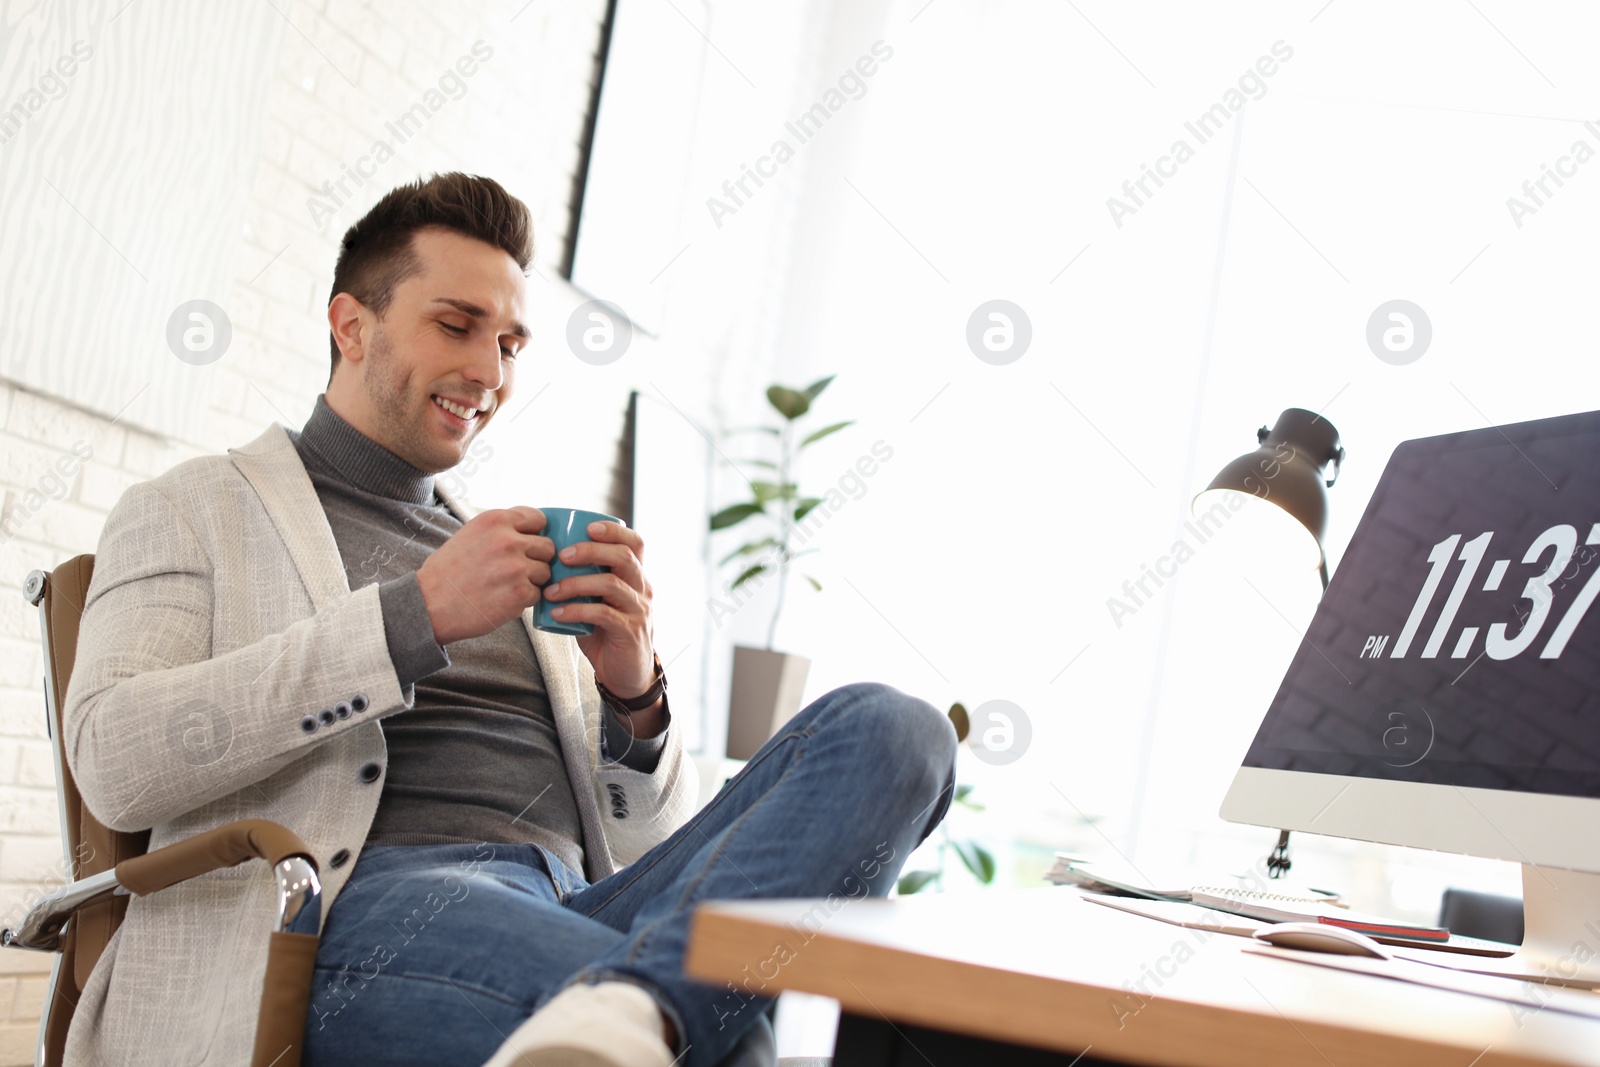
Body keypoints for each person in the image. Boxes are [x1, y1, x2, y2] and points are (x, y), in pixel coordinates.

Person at [62, 171, 957, 1067]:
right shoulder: (196, 507)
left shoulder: (511, 558)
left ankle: (633, 1014)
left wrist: (634, 700)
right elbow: (114, 760)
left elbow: (652, 846)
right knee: (740, 1034)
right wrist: (411, 618)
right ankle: (644, 1013)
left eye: (512, 343)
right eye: (455, 326)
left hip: (579, 903)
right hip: (357, 912)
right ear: (351, 324)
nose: (490, 373)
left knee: (899, 732)